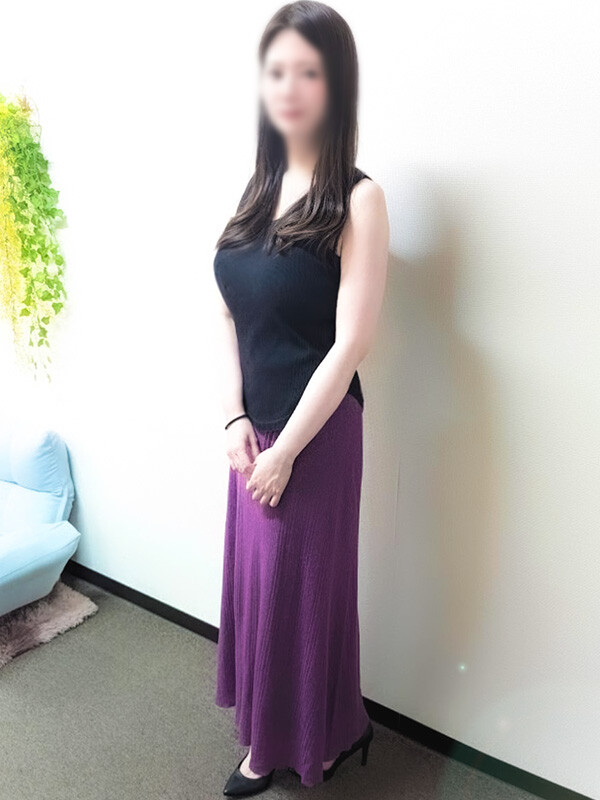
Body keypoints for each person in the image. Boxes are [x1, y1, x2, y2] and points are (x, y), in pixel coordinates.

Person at [212, 1, 389, 795]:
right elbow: (227, 312)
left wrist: (285, 450)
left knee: (302, 597)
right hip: (252, 433)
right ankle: (324, 727)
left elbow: (351, 343)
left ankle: (294, 743)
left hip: (315, 435)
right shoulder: (258, 189)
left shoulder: (360, 198)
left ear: (335, 85)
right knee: (262, 592)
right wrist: (233, 416)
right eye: (276, 70)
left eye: (307, 71)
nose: (288, 86)